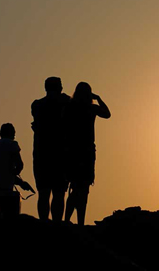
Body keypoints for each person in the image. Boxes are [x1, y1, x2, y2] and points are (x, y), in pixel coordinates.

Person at [63, 82, 111, 225]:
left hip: (72, 150)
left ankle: (67, 219)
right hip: (86, 151)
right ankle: (80, 222)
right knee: (83, 189)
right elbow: (107, 114)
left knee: (75, 187)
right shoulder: (91, 108)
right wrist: (98, 98)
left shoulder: (69, 107)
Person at [31, 76, 71, 220]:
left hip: (42, 154)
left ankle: (43, 223)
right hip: (61, 154)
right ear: (60, 88)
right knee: (59, 193)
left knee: (43, 193)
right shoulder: (66, 103)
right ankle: (57, 225)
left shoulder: (37, 105)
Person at [0, 123, 33, 216]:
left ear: (0, 134)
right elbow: (20, 165)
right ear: (12, 134)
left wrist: (18, 181)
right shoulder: (12, 144)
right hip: (6, 192)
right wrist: (16, 177)